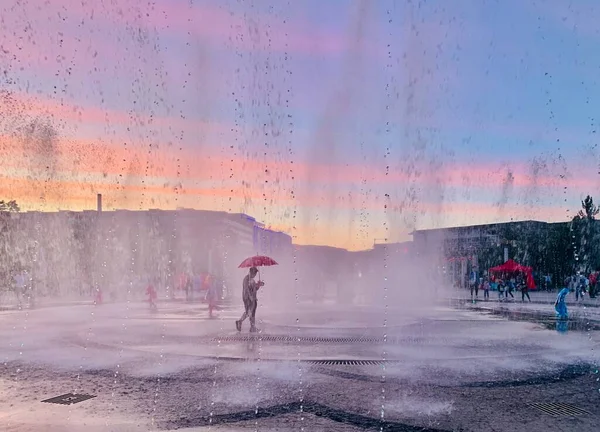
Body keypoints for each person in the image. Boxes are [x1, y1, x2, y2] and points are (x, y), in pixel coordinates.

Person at [236, 267, 264, 333]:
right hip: (248, 298)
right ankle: (240, 321)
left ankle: (252, 327)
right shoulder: (246, 279)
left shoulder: (251, 279)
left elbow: (254, 289)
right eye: (255, 273)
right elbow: (246, 289)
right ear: (251, 272)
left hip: (253, 298)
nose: (255, 275)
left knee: (252, 312)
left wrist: (258, 285)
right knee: (249, 312)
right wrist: (250, 297)